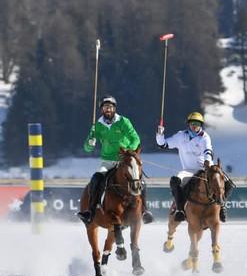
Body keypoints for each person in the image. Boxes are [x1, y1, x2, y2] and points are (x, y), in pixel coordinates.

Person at [77, 95, 154, 224]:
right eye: (106, 107)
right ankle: (90, 211)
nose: (108, 109)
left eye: (111, 107)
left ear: (114, 109)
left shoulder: (123, 121)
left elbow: (136, 139)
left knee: (140, 180)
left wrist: (127, 151)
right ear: (102, 109)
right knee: (96, 178)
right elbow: (87, 148)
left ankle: (145, 211)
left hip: (125, 160)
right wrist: (90, 143)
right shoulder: (97, 126)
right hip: (108, 162)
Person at [156, 112, 234, 222]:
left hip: (206, 169)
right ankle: (180, 210)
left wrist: (207, 160)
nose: (194, 125)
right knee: (175, 181)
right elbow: (163, 144)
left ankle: (222, 206)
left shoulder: (204, 137)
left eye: (197, 123)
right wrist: (160, 134)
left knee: (229, 183)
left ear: (201, 125)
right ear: (188, 124)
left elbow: (208, 150)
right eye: (192, 123)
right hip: (188, 170)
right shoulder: (180, 136)